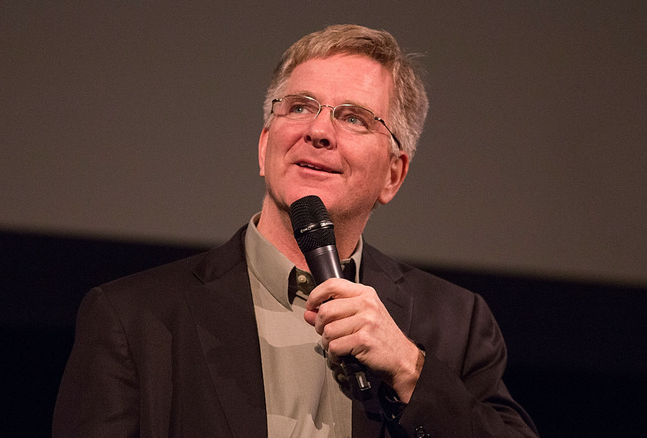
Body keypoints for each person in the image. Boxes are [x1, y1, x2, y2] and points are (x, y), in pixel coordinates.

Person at [53, 24, 538, 437]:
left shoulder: (457, 324)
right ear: (265, 146)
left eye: (353, 118)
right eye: (301, 107)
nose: (319, 131)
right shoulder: (133, 318)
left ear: (393, 174)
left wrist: (411, 371)